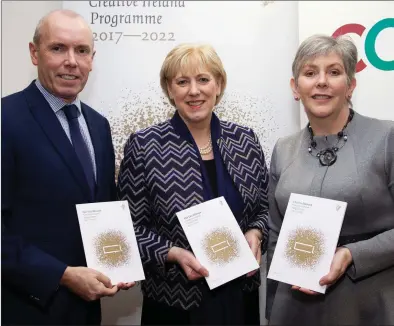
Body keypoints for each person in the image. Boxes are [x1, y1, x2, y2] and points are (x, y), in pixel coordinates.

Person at [117, 43, 269, 325]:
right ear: (169, 90)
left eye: (203, 79)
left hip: (240, 297)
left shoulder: (245, 140)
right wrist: (171, 253)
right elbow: (128, 227)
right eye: (182, 82)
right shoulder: (145, 145)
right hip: (175, 303)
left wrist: (257, 233)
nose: (194, 91)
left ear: (219, 85)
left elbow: (264, 209)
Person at [1, 9, 133, 325]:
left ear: (92, 58)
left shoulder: (99, 126)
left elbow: (102, 209)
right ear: (35, 53)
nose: (71, 61)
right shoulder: (6, 119)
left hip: (87, 312)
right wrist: (61, 275)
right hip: (30, 308)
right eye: (58, 48)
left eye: (82, 50)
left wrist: (119, 262)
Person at [266, 34, 394, 325]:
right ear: (295, 87)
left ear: (350, 85)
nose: (321, 81)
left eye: (334, 72)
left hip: (369, 303)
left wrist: (352, 254)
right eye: (310, 73)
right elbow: (275, 234)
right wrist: (273, 309)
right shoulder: (283, 149)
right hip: (294, 306)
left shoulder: (387, 138)